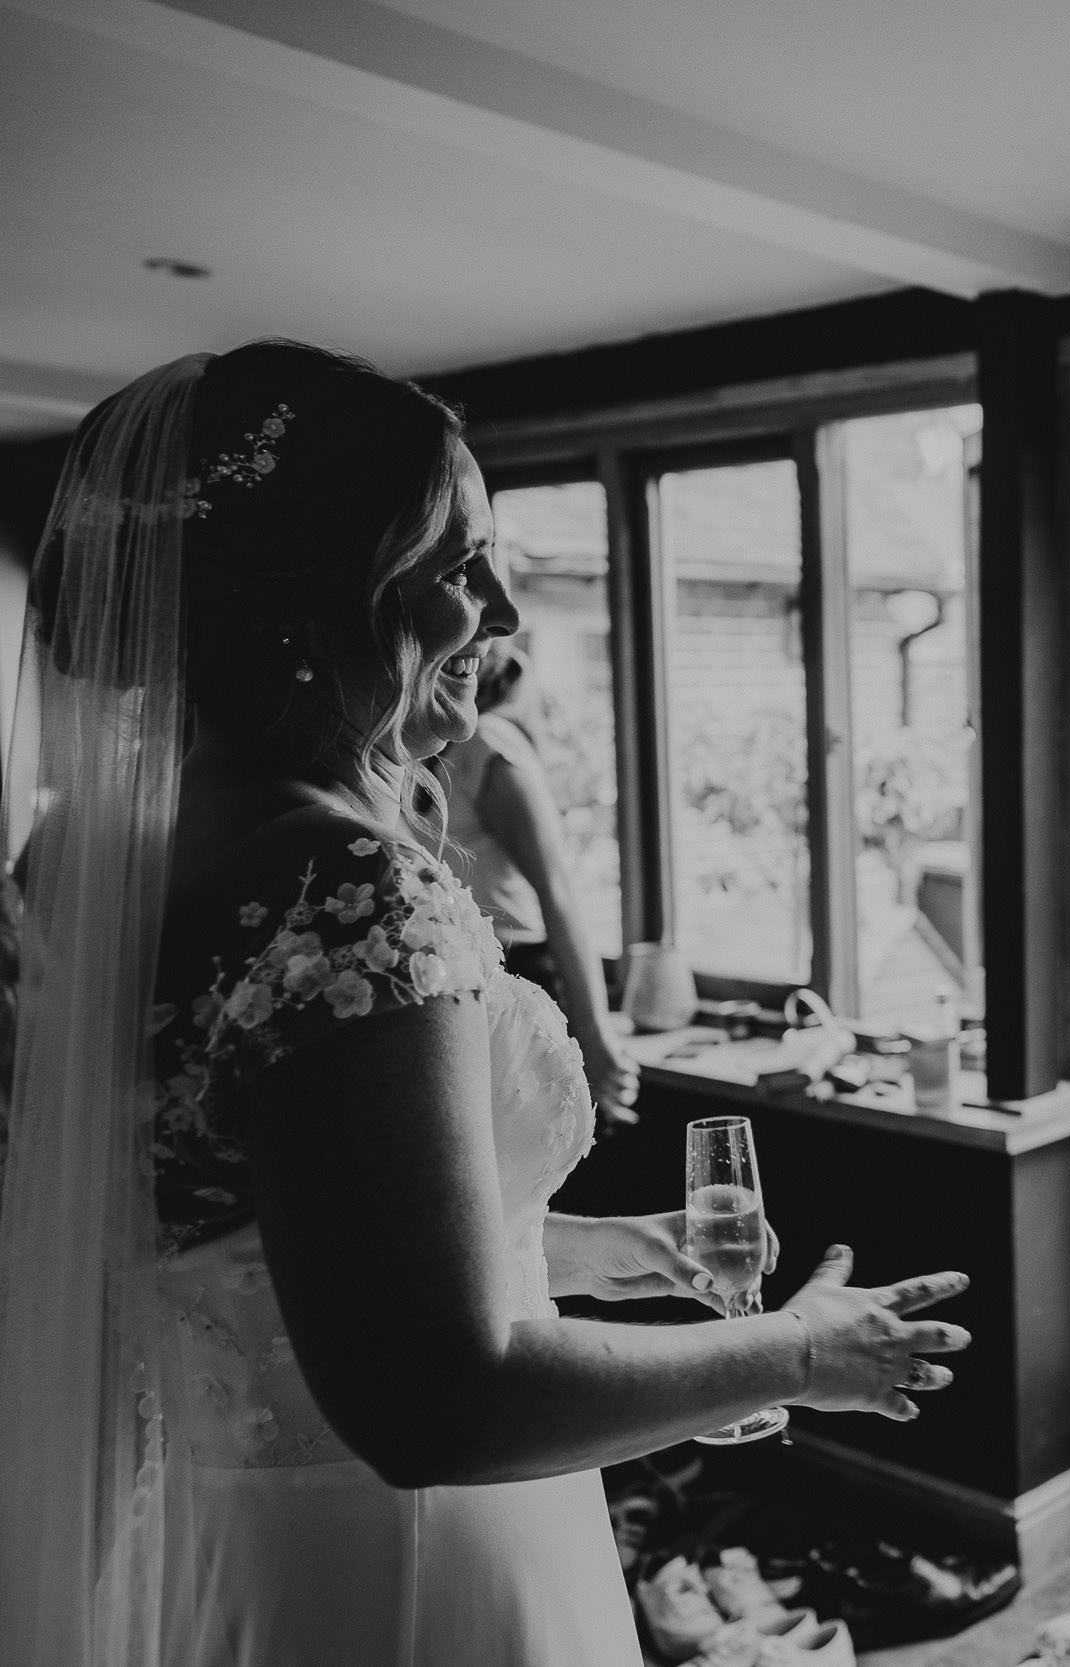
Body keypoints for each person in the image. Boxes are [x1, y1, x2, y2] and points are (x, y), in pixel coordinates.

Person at [0, 341, 971, 1667]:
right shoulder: (348, 890)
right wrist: (796, 1350)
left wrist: (608, 1246)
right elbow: (437, 1401)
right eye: (457, 566)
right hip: (423, 1570)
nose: (499, 611)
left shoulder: (74, 869)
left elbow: (277, 1247)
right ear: (312, 606)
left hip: (224, 1552)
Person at [442, 640, 639, 1126]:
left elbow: (558, 892)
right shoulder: (444, 751)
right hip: (464, 973)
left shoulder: (488, 743)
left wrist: (593, 1034)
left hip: (518, 970)